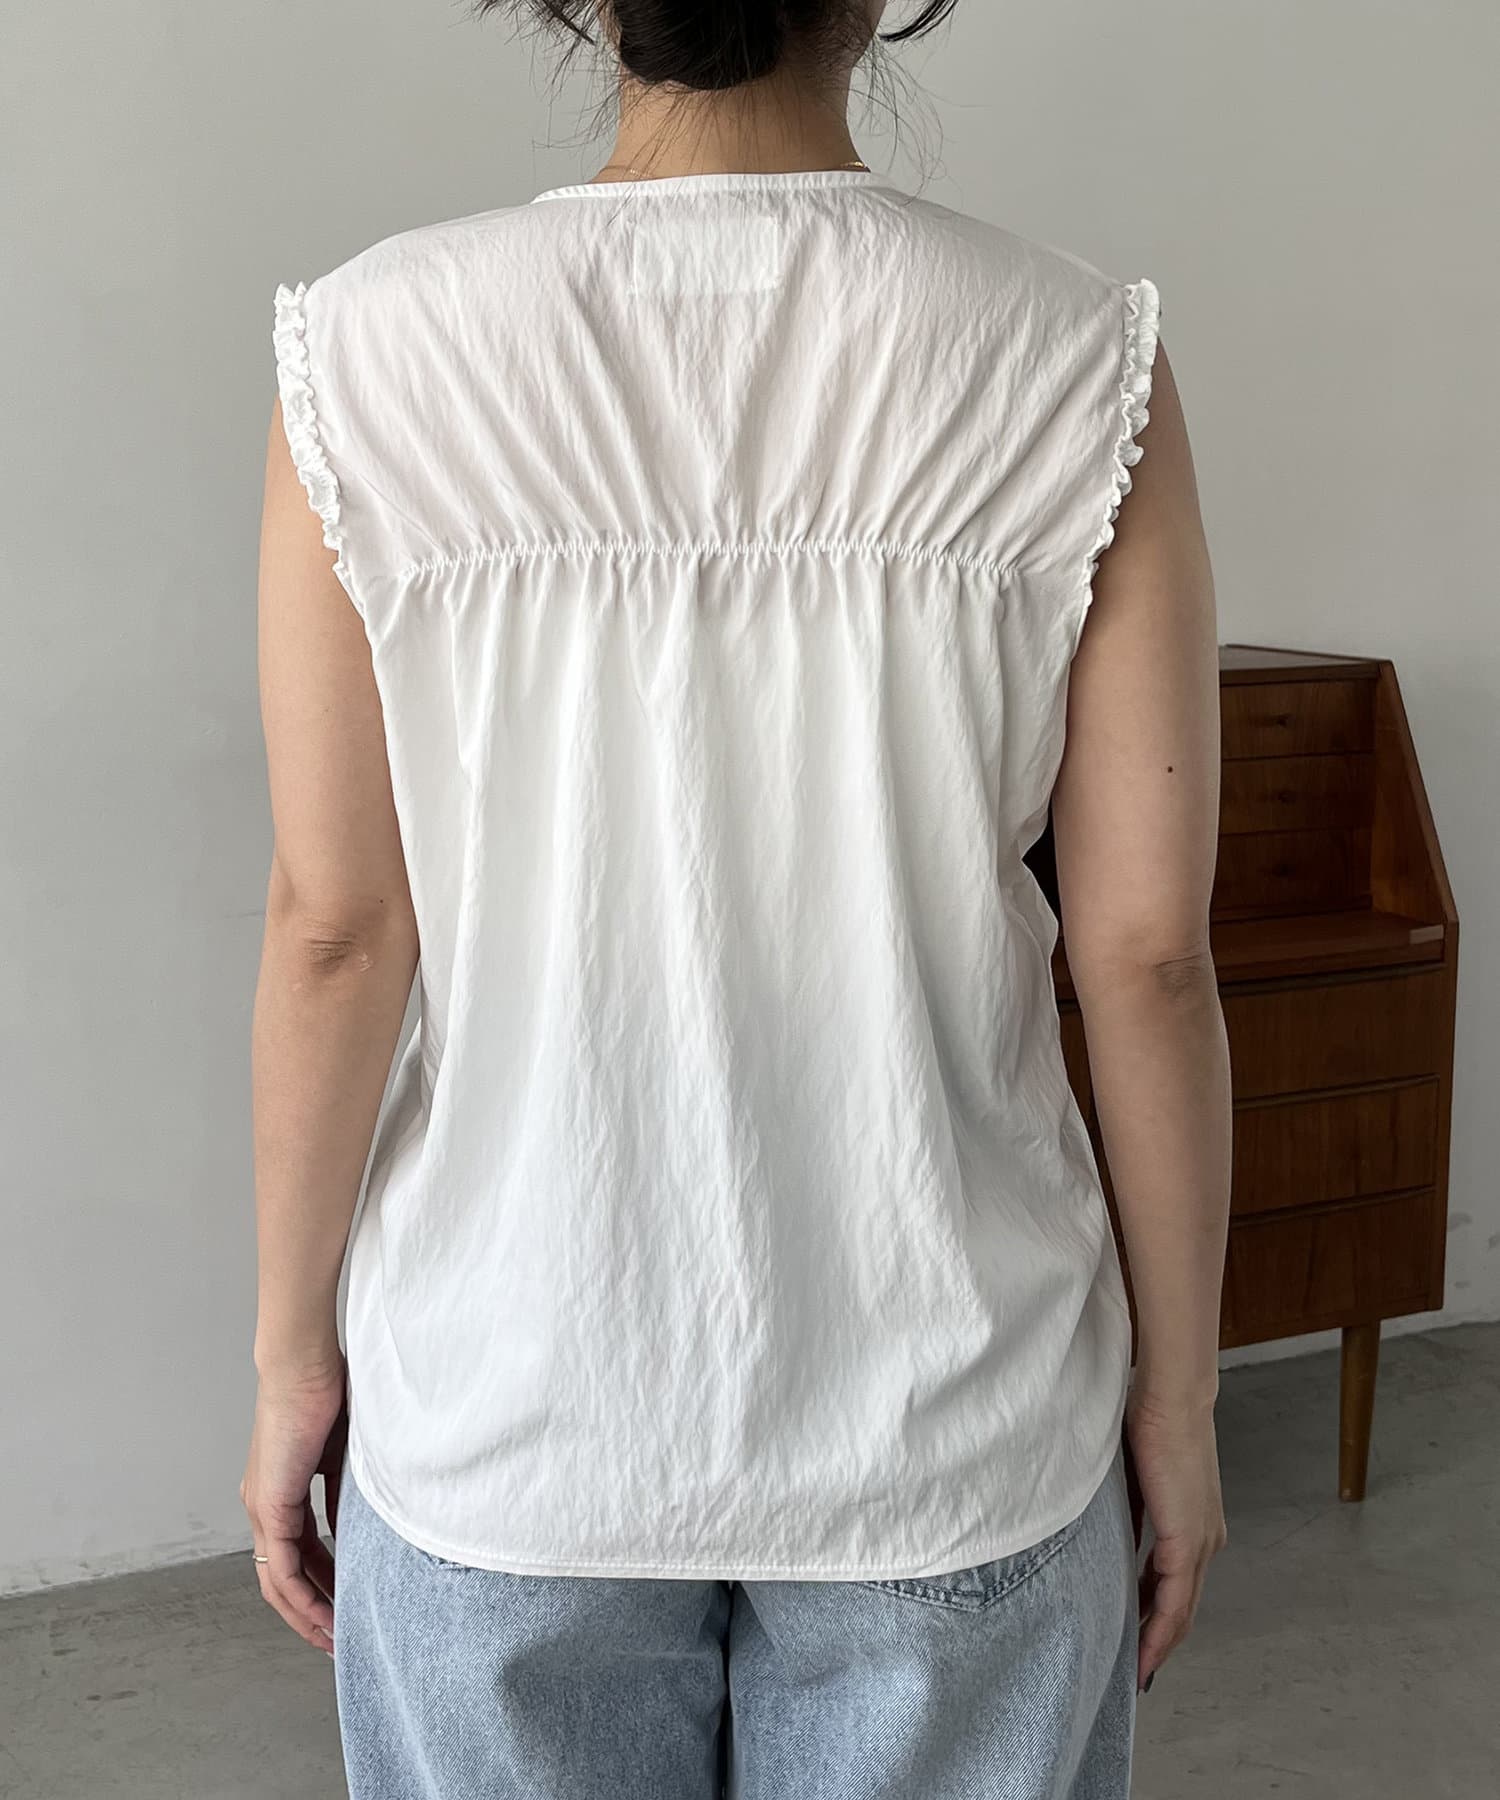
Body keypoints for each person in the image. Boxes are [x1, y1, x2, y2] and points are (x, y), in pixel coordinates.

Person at [241, 1, 1231, 1793]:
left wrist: (287, 1361)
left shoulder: (371, 349)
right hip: (954, 1417)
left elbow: (337, 932)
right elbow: (1148, 959)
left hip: (509, 1410)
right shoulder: (1076, 355)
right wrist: (1179, 1396)